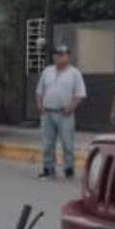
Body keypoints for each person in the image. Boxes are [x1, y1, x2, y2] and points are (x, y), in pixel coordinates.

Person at [35, 44, 87, 180]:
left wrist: (71, 107)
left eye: (61, 54)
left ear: (68, 57)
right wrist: (40, 105)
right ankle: (48, 169)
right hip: (47, 112)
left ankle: (69, 170)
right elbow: (39, 91)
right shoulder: (47, 71)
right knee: (47, 143)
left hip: (65, 114)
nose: (58, 57)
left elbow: (80, 94)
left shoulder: (74, 73)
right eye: (56, 54)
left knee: (67, 144)